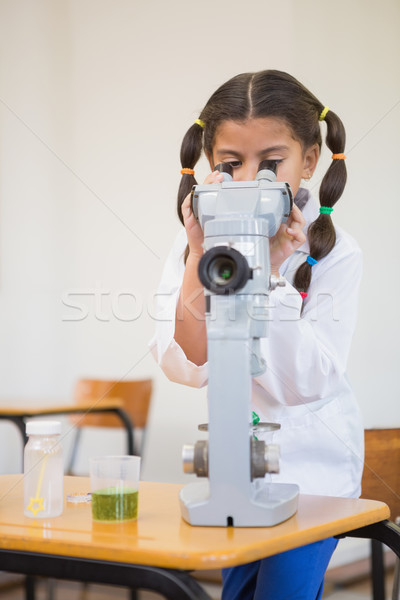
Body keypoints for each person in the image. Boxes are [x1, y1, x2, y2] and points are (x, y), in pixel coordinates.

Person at [149, 69, 364, 600]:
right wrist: (202, 256)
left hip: (312, 475)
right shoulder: (192, 245)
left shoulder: (336, 253)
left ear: (309, 159)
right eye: (231, 164)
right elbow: (186, 361)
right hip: (232, 475)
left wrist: (270, 275)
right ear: (208, 166)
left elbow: (306, 383)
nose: (250, 181)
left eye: (272, 164)